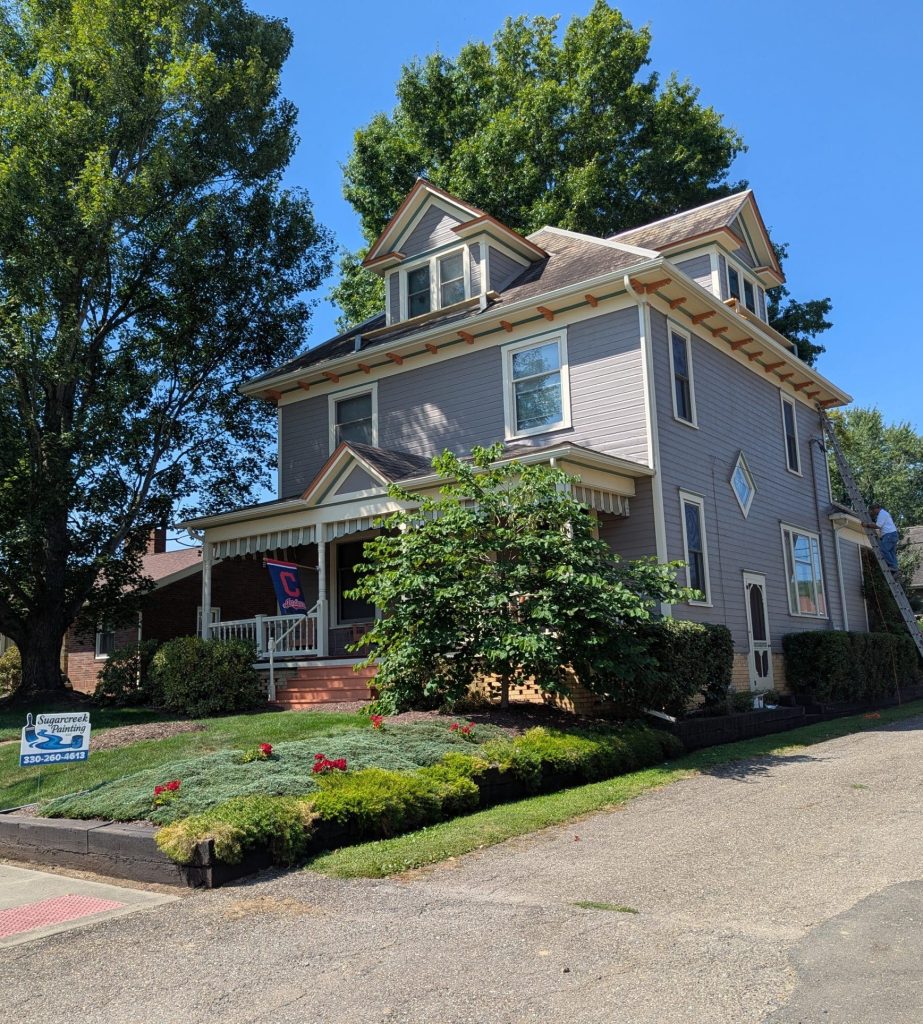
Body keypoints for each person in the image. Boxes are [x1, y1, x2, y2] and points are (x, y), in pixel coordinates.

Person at [869, 503, 900, 572]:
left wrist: (867, 525)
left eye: (873, 511)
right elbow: (879, 525)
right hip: (893, 534)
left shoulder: (882, 514)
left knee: (883, 550)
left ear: (877, 509)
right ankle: (895, 568)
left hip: (889, 535)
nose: (874, 513)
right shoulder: (884, 513)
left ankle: (892, 566)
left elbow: (878, 526)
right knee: (891, 553)